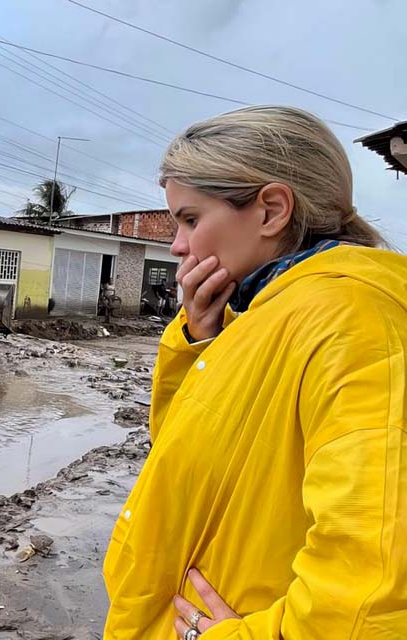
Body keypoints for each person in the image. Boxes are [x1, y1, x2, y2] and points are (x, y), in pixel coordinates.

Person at [102, 105, 407, 639]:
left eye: (191, 219)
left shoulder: (354, 322)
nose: (176, 245)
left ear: (271, 210)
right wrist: (199, 338)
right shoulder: (261, 314)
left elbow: (376, 583)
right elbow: (186, 460)